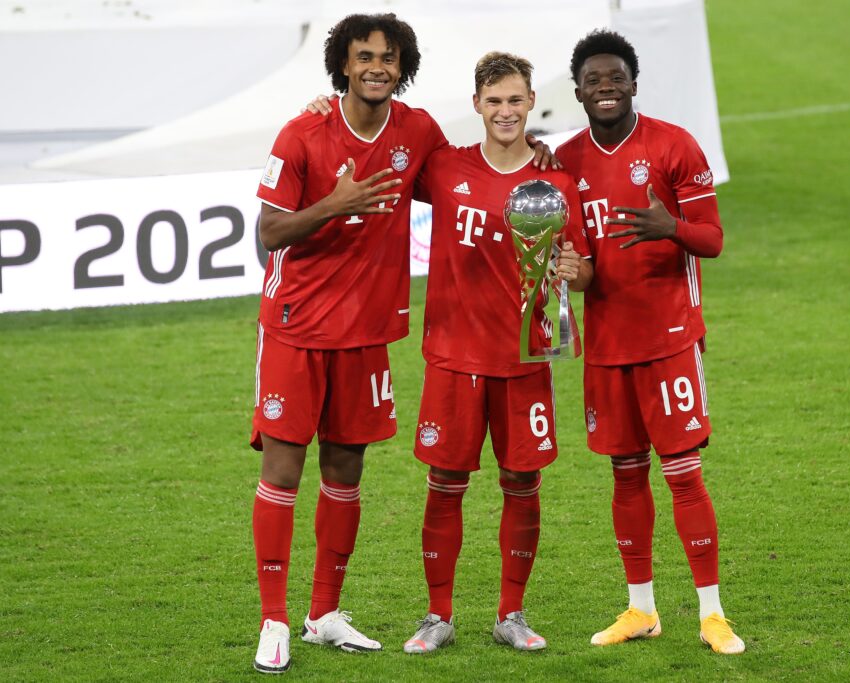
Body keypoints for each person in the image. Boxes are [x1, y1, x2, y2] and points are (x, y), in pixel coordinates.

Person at [249, 13, 446, 674]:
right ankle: (274, 618)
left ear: (402, 65)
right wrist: (335, 204)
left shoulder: (416, 132)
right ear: (343, 63)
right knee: (283, 470)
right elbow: (268, 234)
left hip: (366, 337)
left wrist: (529, 156)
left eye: (388, 58)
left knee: (346, 470)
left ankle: (323, 613)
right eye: (365, 56)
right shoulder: (303, 133)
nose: (377, 67)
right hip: (296, 328)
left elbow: (461, 181)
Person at [554, 29, 745, 655]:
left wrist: (672, 226)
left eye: (615, 78)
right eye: (593, 81)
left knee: (684, 476)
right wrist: (562, 270)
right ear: (578, 91)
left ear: (634, 83)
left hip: (668, 341)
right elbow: (582, 265)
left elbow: (713, 241)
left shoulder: (673, 145)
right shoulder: (566, 162)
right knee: (625, 475)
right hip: (607, 347)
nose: (605, 88)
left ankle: (712, 614)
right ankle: (641, 609)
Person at [398, 51, 587, 654]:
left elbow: (580, 271)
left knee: (521, 480)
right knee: (445, 481)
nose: (504, 111)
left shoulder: (556, 184)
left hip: (524, 359)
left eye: (515, 100)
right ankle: (437, 615)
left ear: (532, 102)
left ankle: (511, 613)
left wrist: (574, 269)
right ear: (476, 105)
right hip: (453, 358)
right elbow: (386, 135)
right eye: (493, 101)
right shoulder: (444, 169)